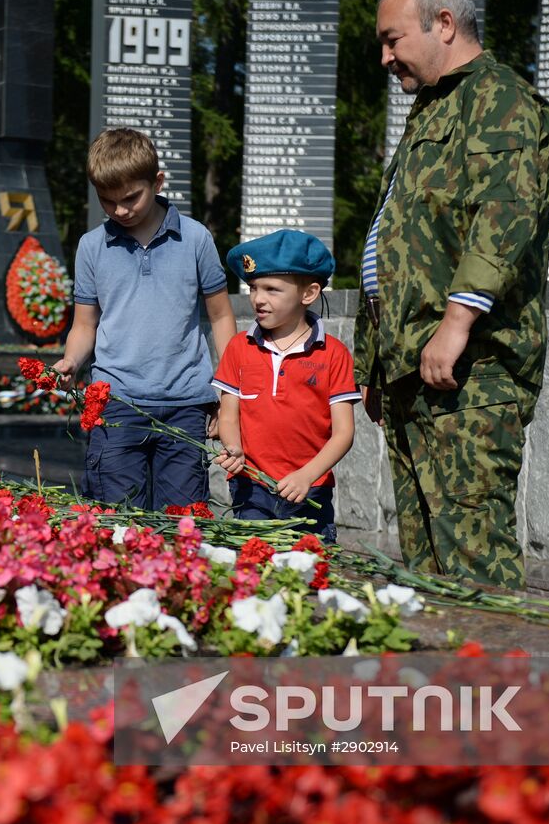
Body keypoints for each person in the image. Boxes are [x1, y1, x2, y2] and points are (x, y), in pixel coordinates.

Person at [354, 0, 549, 589]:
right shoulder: (434, 105)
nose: (385, 57)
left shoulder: (502, 101)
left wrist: (456, 322)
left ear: (443, 24)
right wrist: (377, 364)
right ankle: (445, 684)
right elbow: (405, 232)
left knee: (474, 563)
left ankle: (498, 684)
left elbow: (502, 215)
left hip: (470, 374)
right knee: (426, 570)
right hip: (415, 370)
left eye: (393, 39)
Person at [53, 127, 237, 509]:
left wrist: (229, 393)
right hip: (116, 402)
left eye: (130, 198)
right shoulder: (91, 247)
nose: (120, 210)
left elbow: (220, 318)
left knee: (183, 524)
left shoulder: (197, 238)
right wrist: (71, 360)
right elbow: (85, 324)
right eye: (107, 201)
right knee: (118, 523)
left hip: (186, 402)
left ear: (157, 182)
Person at [212, 230, 361, 542]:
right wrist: (233, 447)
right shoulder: (239, 348)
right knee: (254, 570)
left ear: (308, 294)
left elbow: (344, 432)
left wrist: (307, 475)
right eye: (253, 288)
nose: (258, 299)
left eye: (272, 289)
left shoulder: (333, 353)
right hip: (250, 486)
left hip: (309, 490)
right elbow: (228, 416)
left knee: (309, 572)